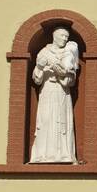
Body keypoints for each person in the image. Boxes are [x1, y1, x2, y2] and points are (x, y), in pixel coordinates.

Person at [30, 28, 80, 163]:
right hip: (47, 91)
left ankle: (64, 154)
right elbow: (37, 79)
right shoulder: (44, 52)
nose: (65, 39)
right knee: (45, 120)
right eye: (63, 36)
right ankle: (43, 154)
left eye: (67, 36)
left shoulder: (69, 52)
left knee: (62, 122)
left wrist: (64, 74)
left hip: (62, 92)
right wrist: (40, 68)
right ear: (55, 36)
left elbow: (70, 81)